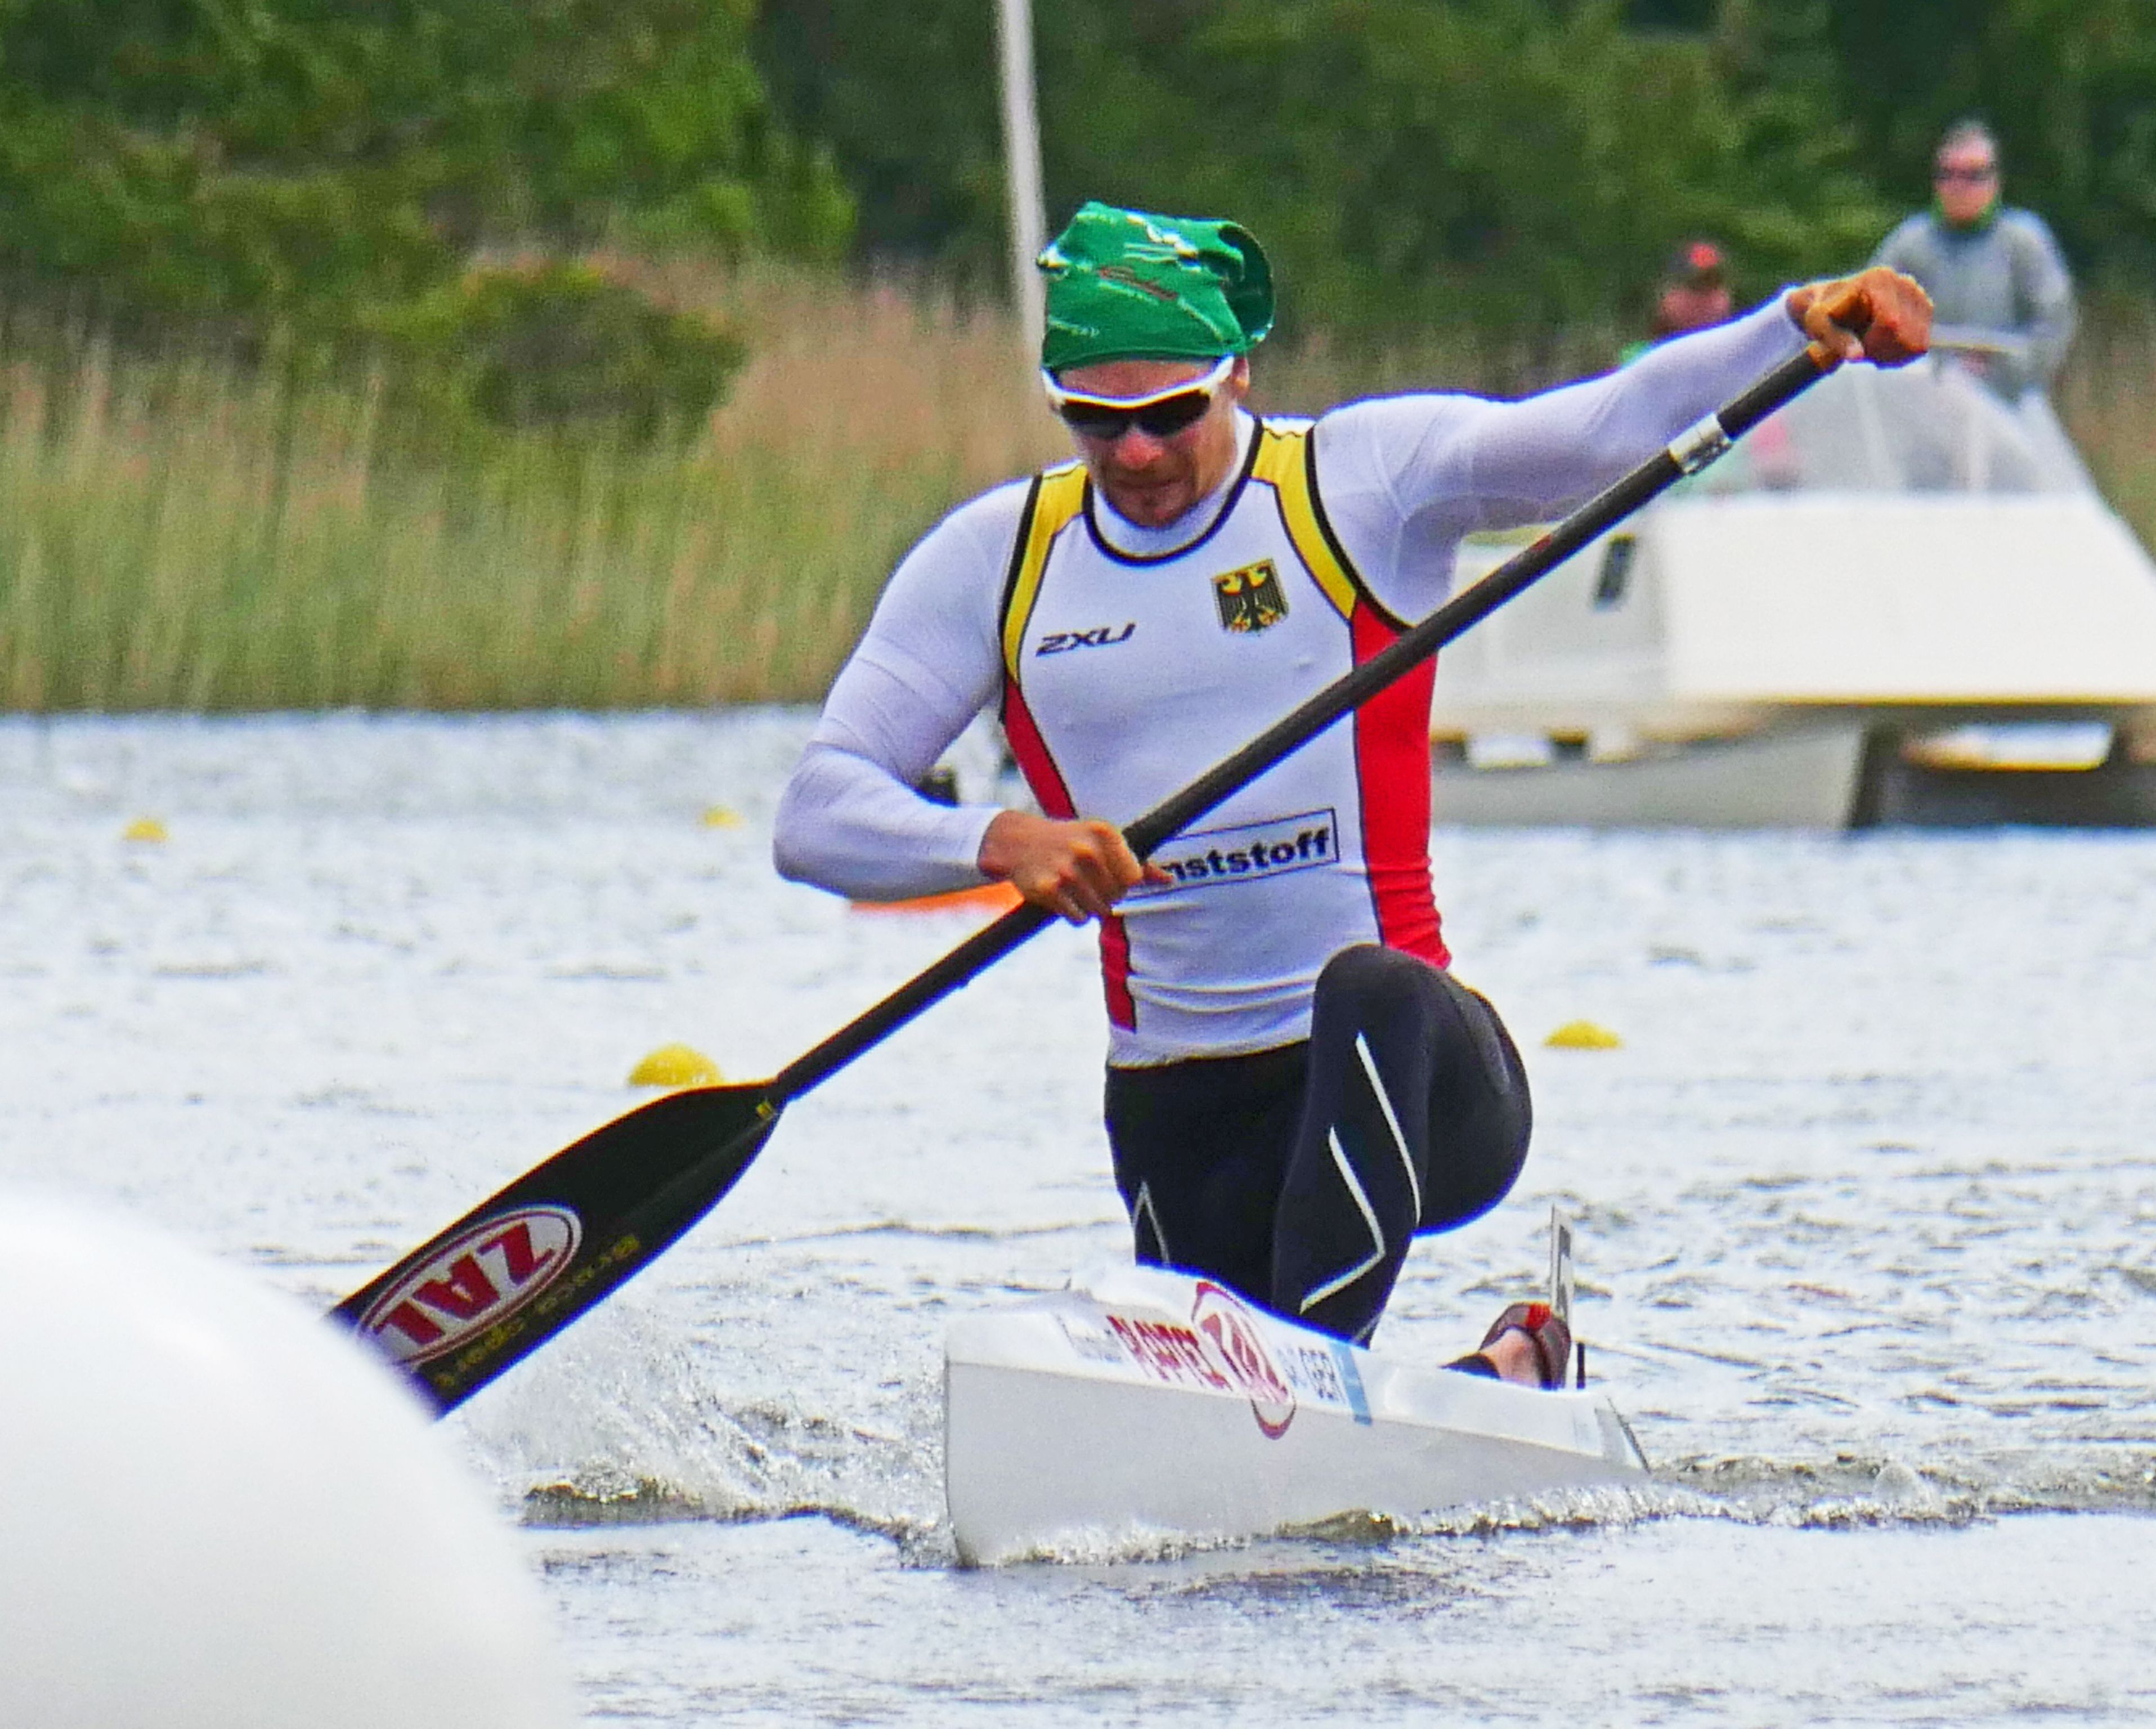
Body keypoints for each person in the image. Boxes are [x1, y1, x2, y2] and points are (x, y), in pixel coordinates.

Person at [773, 202, 1929, 1385]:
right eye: (1095, 419)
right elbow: (815, 816)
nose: (1133, 456)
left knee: (1364, 991)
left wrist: (1793, 325)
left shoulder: (1361, 482)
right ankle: (1503, 1372)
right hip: (1186, 1108)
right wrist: (994, 839)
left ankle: (1311, 1394)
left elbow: (1596, 434)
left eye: (1170, 414)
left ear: (1237, 378)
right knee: (1226, 1384)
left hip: (1420, 1076)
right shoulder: (998, 558)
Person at [1873, 119, 2075, 400]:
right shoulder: (1909, 243)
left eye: (1973, 176)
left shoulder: (2024, 241)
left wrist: (2004, 372)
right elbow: (1871, 314)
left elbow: (2053, 325)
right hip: (1924, 400)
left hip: (2009, 404)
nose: (1958, 186)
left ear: (1995, 181)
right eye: (1947, 174)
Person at [1620, 239, 1736, 365]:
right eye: (1698, 284)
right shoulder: (1676, 301)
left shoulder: (1721, 299)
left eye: (1713, 280)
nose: (1708, 280)